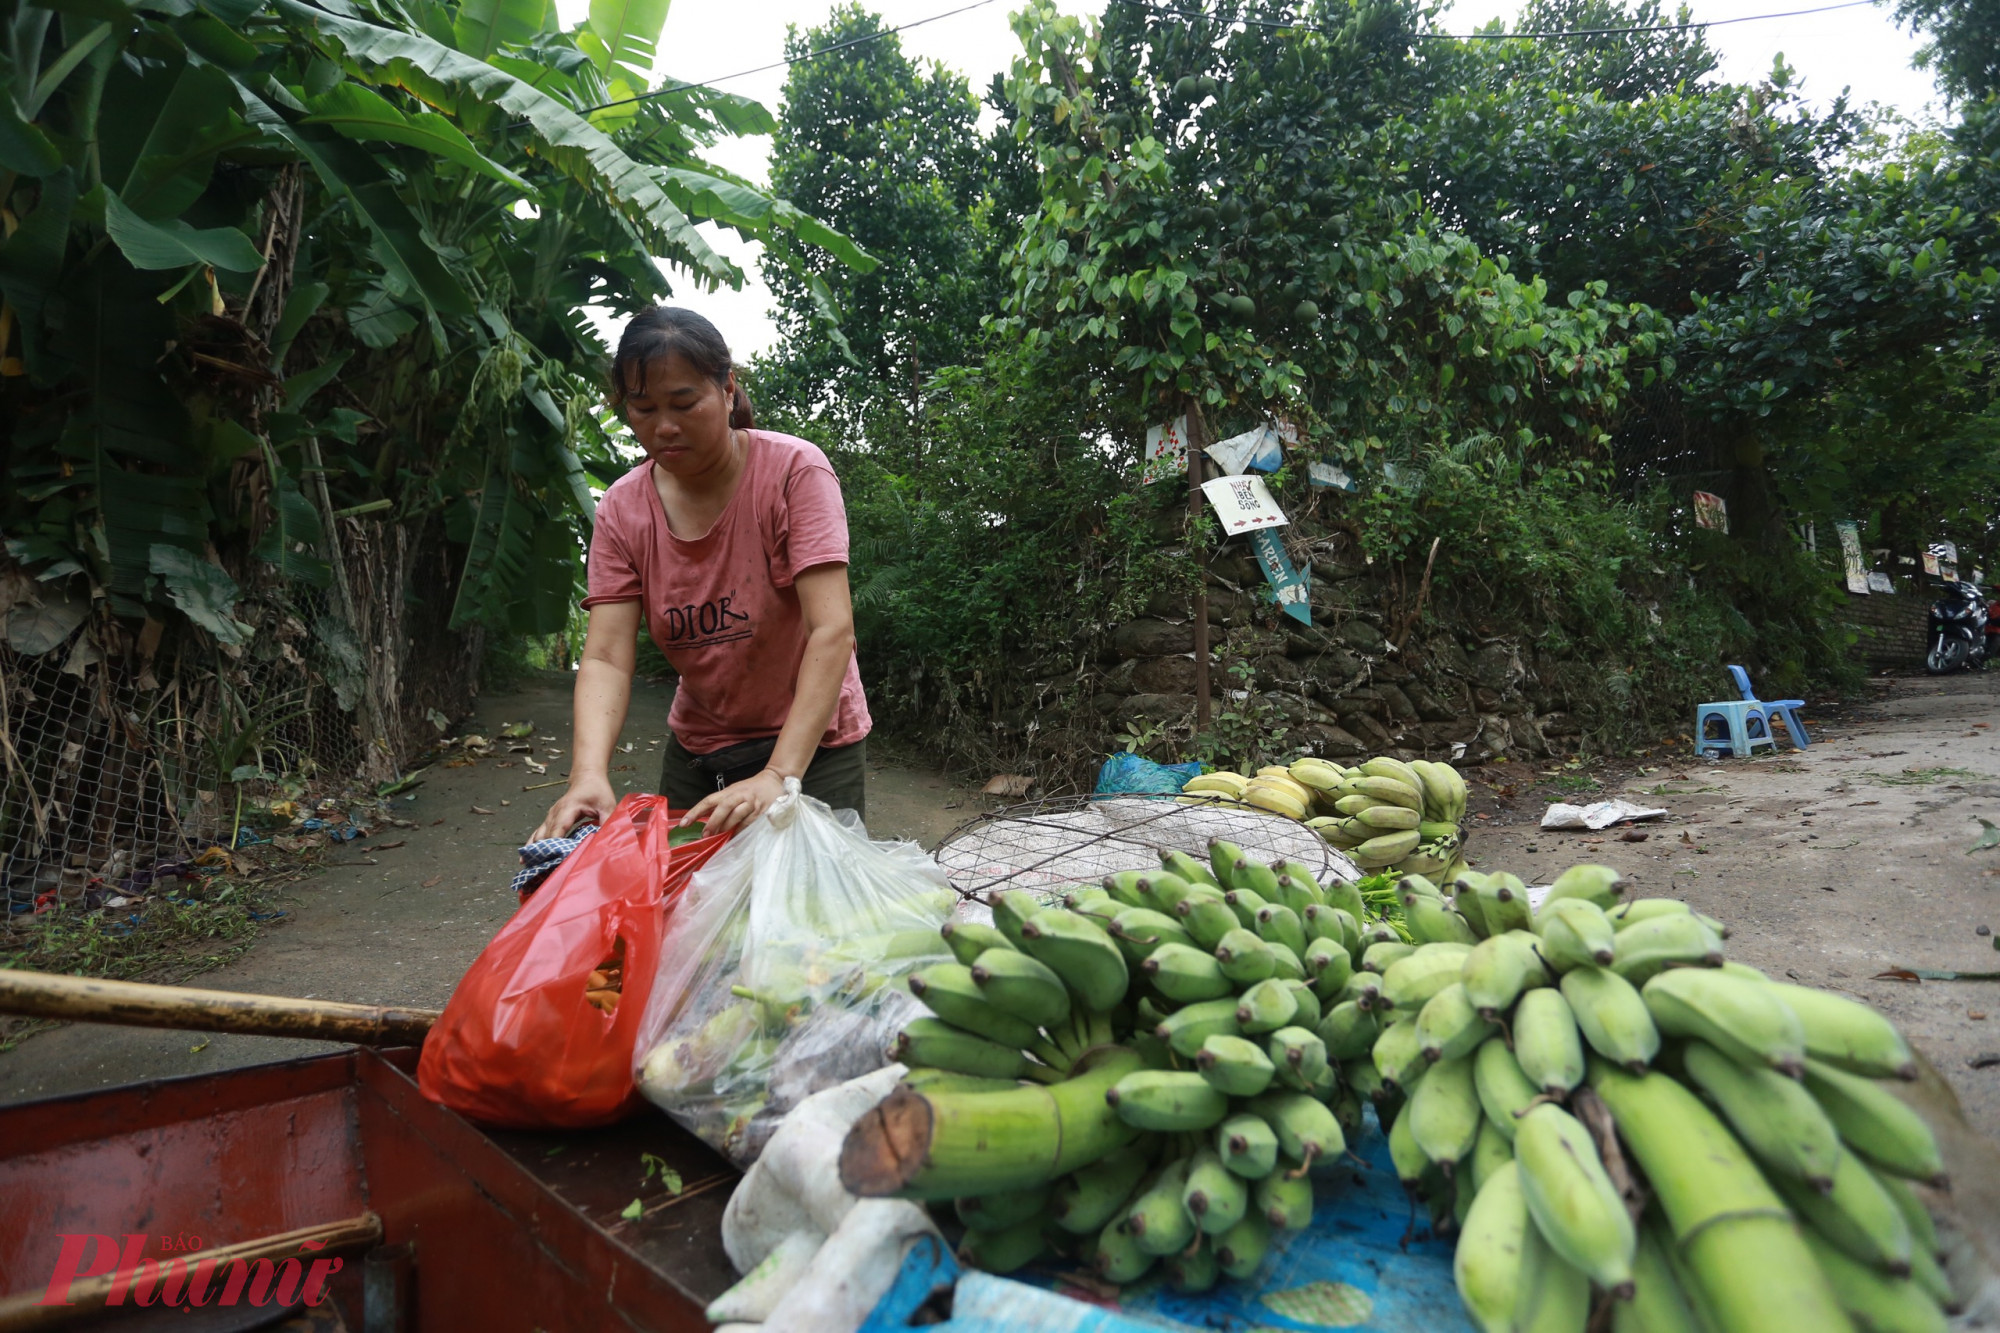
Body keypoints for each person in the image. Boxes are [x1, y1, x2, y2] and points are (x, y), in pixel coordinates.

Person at [531, 307, 870, 839]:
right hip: (699, 757)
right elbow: (605, 656)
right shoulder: (623, 508)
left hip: (814, 751)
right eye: (642, 408)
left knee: (810, 918)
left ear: (728, 388)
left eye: (685, 403)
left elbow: (832, 629)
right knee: (687, 914)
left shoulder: (793, 472)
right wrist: (588, 775)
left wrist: (779, 774)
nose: (664, 426)